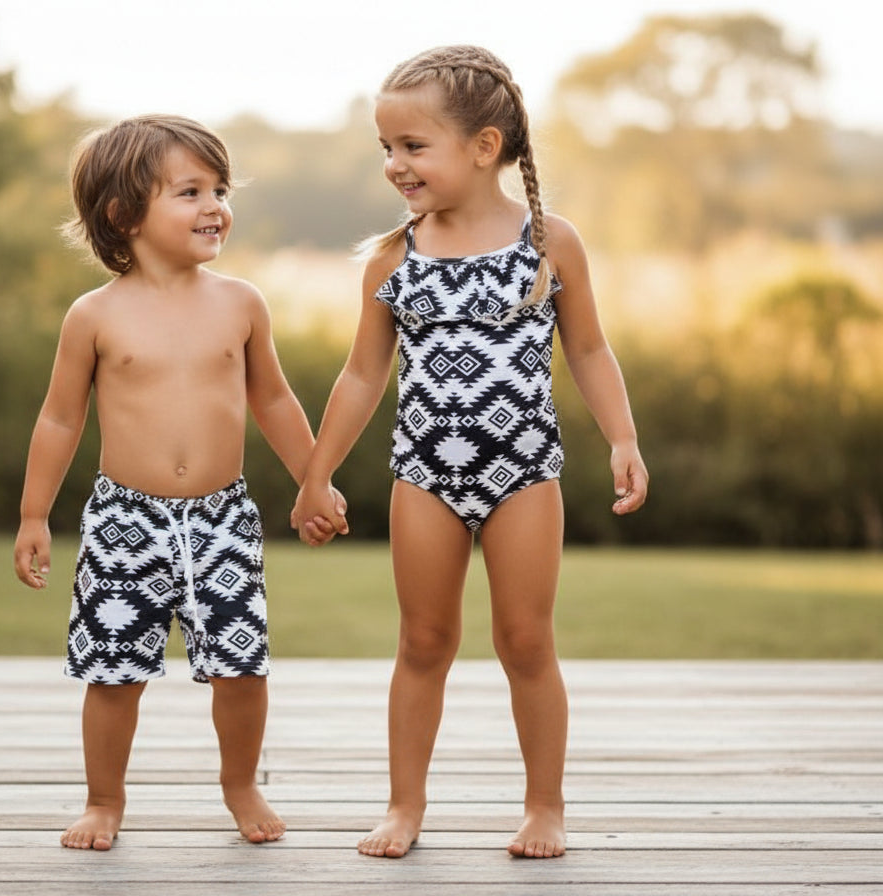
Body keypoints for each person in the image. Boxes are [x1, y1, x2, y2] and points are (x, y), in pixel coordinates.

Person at [291, 45, 649, 859]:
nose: (394, 164)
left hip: (524, 473)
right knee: (422, 643)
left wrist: (622, 437)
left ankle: (544, 808)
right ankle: (404, 808)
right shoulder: (394, 258)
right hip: (425, 475)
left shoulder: (549, 242)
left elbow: (589, 350)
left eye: (413, 146)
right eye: (386, 147)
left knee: (526, 642)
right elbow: (361, 375)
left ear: (484, 146)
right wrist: (317, 474)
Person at [14, 114, 341, 850]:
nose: (214, 206)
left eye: (220, 190)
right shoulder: (94, 316)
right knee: (113, 672)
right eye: (190, 191)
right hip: (124, 523)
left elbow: (274, 400)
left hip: (222, 520)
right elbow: (59, 420)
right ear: (124, 214)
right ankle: (104, 800)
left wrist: (313, 480)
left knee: (242, 666)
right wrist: (35, 515)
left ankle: (241, 784)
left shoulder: (240, 303)